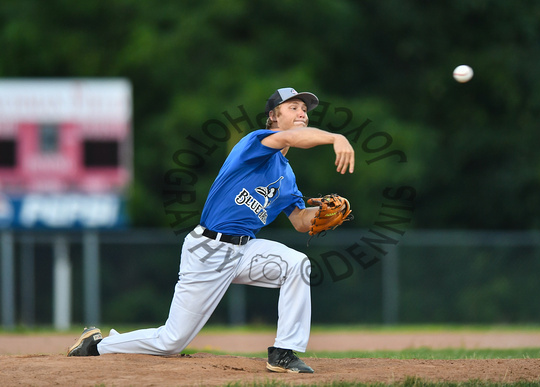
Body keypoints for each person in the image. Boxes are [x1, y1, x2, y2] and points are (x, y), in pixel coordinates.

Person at [67, 87, 355, 374]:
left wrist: (324, 214)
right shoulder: (258, 142)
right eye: (293, 107)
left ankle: (283, 352)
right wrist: (335, 137)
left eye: (304, 109)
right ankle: (96, 345)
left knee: (298, 264)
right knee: (171, 341)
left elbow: (299, 220)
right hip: (209, 249)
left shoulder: (286, 174)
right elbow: (293, 138)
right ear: (273, 116)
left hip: (245, 250)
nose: (302, 112)